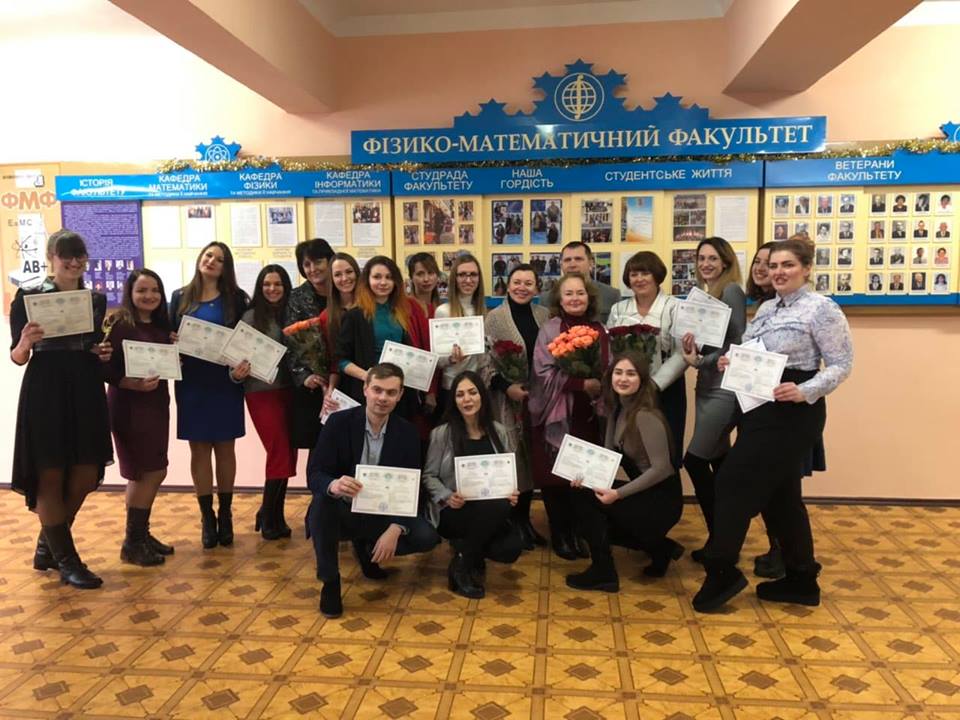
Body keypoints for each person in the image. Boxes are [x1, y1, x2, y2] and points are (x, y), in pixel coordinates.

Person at [693, 237, 853, 613]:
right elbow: (753, 350)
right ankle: (801, 579)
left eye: (788, 265)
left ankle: (721, 571)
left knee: (731, 481)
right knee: (782, 498)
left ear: (806, 269)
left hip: (793, 412)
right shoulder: (767, 308)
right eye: (774, 266)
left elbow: (842, 364)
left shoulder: (822, 309)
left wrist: (804, 390)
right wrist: (731, 360)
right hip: (759, 406)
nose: (778, 272)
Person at [10, 230, 113, 588]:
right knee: (49, 473)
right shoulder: (28, 297)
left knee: (85, 473)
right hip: (45, 390)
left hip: (85, 388)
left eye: (79, 255)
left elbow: (91, 345)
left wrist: (101, 352)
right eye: (65, 255)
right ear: (51, 257)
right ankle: (68, 561)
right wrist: (24, 342)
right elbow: (17, 356)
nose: (73, 262)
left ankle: (47, 546)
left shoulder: (95, 299)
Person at [306, 363, 439, 618]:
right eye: (377, 390)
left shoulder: (407, 433)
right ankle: (330, 581)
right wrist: (334, 485)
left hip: (383, 512)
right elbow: (315, 474)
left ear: (400, 395)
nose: (383, 398)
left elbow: (413, 487)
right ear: (365, 389)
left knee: (426, 537)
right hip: (344, 508)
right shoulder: (338, 422)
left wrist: (396, 527)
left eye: (391, 392)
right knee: (321, 504)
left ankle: (367, 549)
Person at [565, 352, 684, 591]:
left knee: (591, 508)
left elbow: (662, 469)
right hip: (644, 494)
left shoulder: (645, 415)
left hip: (662, 501)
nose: (623, 379)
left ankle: (604, 571)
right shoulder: (617, 409)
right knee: (581, 494)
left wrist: (617, 494)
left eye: (631, 374)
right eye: (618, 373)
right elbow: (608, 456)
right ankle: (660, 548)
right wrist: (585, 477)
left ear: (642, 380)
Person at [171, 242, 250, 549]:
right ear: (200, 259)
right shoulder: (180, 297)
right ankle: (207, 517)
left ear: (226, 267)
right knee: (199, 450)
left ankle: (226, 513)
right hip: (192, 382)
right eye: (208, 256)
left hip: (225, 382)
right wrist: (172, 342)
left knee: (226, 448)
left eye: (219, 259)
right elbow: (167, 336)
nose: (212, 261)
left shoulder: (237, 299)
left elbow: (246, 340)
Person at [529, 273, 610, 560]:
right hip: (557, 412)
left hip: (589, 413)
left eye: (580, 293)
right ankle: (560, 534)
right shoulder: (550, 329)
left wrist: (598, 383)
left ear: (589, 297)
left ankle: (578, 531)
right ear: (559, 299)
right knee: (555, 477)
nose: (575, 298)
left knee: (581, 475)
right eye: (569, 293)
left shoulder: (600, 329)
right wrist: (578, 383)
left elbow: (608, 367)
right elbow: (541, 372)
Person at [423, 371, 522, 598]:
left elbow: (507, 474)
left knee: (510, 549)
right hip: (454, 510)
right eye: (460, 395)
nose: (467, 399)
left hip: (490, 509)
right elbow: (429, 476)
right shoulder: (442, 434)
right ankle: (465, 567)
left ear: (482, 396)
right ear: (454, 400)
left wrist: (512, 492)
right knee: (498, 507)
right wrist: (447, 496)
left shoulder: (499, 431)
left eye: (472, 392)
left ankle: (464, 555)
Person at [679, 237, 746, 564]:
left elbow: (737, 342)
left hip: (724, 387)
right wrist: (691, 349)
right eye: (701, 258)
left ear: (725, 262)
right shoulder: (705, 293)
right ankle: (725, 541)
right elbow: (710, 343)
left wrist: (700, 360)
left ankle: (720, 539)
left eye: (713, 258)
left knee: (694, 460)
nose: (705, 263)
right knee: (719, 462)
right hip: (706, 385)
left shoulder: (731, 290)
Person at [105, 269, 174, 566]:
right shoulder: (120, 324)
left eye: (155, 290)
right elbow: (104, 367)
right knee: (145, 471)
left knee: (154, 468)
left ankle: (140, 535)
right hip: (129, 406)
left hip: (156, 404)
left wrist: (176, 352)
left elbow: (167, 365)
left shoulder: (162, 326)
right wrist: (130, 383)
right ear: (130, 293)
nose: (149, 296)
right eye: (142, 290)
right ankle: (133, 542)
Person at [484, 264, 551, 549]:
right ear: (507, 285)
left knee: (531, 459)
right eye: (517, 282)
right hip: (505, 399)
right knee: (511, 459)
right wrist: (506, 386)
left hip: (539, 398)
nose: (522, 287)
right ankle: (511, 524)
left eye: (528, 283)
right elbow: (485, 360)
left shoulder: (544, 315)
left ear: (537, 288)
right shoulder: (494, 318)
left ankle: (525, 521)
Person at [607, 251, 688, 462]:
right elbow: (611, 350)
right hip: (627, 391)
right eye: (634, 274)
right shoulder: (618, 309)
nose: (639, 279)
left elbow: (682, 352)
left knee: (665, 452)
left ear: (657, 275)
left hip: (665, 389)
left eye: (645, 273)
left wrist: (655, 384)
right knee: (630, 450)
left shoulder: (675, 307)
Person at [336, 256, 434, 422]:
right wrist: (366, 375)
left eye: (389, 277)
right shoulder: (355, 316)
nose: (383, 282)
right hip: (369, 392)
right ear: (367, 280)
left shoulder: (403, 312)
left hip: (399, 394)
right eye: (377, 277)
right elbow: (340, 360)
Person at [241, 265, 298, 540]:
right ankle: (268, 514)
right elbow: (237, 357)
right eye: (267, 284)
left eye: (278, 284)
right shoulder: (251, 317)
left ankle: (274, 514)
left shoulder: (293, 313)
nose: (272, 289)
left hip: (291, 392)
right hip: (261, 392)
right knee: (279, 451)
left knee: (288, 452)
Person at [284, 238, 335, 455]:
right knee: (318, 448)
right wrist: (304, 376)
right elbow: (290, 342)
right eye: (307, 264)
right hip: (313, 385)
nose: (313, 269)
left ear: (330, 261)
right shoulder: (296, 297)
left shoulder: (345, 291)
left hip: (346, 379)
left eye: (318, 261)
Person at [434, 253, 488, 403]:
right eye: (462, 275)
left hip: (477, 386)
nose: (468, 280)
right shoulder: (443, 311)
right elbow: (437, 361)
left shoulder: (482, 311)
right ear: (454, 278)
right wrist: (451, 359)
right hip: (452, 387)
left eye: (473, 275)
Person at [537, 242, 620, 323]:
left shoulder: (611, 295)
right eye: (567, 260)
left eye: (578, 259)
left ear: (591, 263)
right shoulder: (547, 298)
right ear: (561, 265)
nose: (572, 265)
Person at [407, 252, 441, 318]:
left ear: (437, 275)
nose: (426, 279)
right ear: (411, 277)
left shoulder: (443, 307)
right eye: (420, 274)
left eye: (430, 273)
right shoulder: (406, 307)